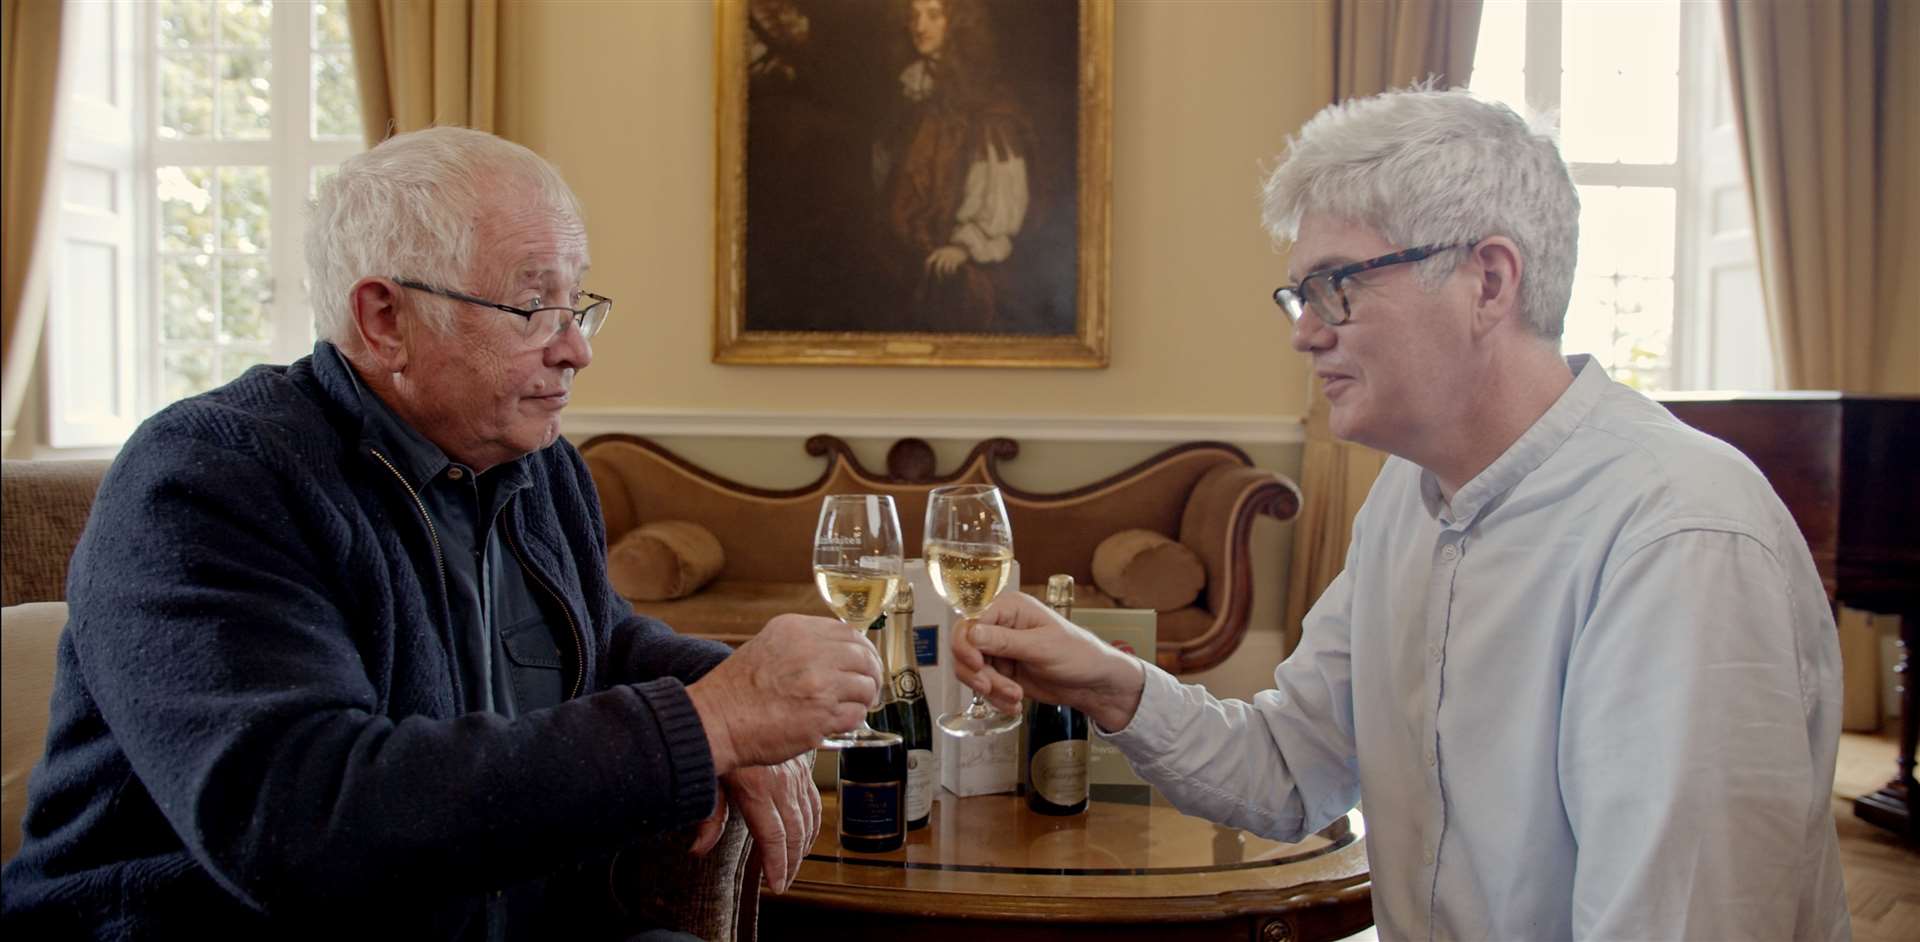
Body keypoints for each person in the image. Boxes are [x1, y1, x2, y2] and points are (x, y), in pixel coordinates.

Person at [952, 88, 1851, 940]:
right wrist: (1107, 682)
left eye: (1338, 284)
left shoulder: (1677, 538)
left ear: (1489, 281)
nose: (1305, 330)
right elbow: (1287, 768)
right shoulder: (1409, 501)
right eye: (1300, 295)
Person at [0, 127, 885, 939]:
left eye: (578, 304)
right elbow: (300, 822)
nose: (577, 349)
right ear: (384, 319)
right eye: (534, 306)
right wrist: (706, 724)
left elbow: (597, 642)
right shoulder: (208, 478)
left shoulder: (538, 465)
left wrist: (726, 688)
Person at [869, 0, 1033, 332]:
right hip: (905, 250)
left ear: (957, 22)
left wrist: (964, 244)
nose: (919, 26)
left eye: (933, 15)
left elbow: (999, 184)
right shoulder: (911, 90)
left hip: (957, 267)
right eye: (912, 16)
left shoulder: (986, 104)